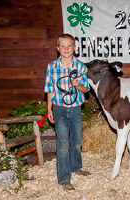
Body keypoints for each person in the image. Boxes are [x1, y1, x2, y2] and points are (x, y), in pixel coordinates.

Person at [44, 33, 91, 190]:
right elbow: (50, 89)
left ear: (74, 48)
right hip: (59, 109)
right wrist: (49, 108)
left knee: (77, 142)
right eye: (62, 46)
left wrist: (77, 85)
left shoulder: (81, 67)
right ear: (58, 48)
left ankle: (76, 167)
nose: (66, 48)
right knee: (63, 143)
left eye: (69, 45)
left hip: (76, 109)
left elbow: (86, 90)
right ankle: (64, 178)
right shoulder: (52, 67)